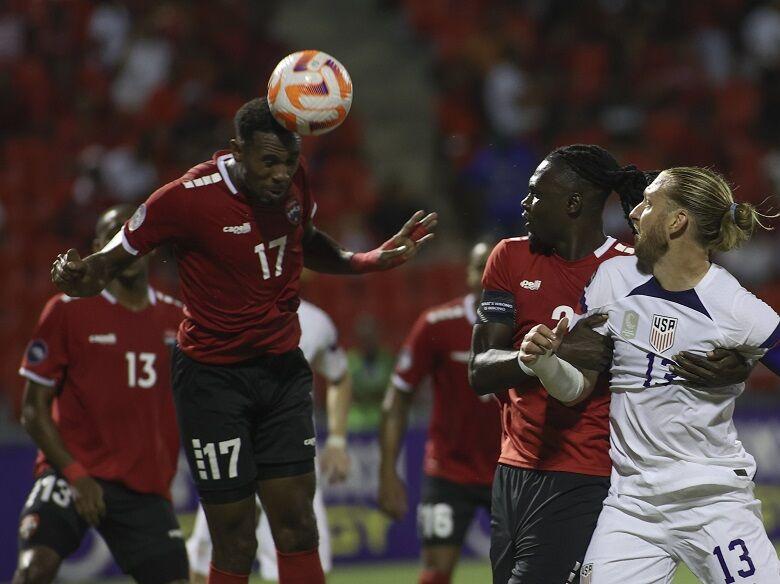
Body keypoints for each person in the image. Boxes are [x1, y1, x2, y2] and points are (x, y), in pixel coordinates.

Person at [50, 97, 437, 584]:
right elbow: (107, 262)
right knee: (234, 537)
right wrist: (77, 275)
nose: (281, 174)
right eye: (269, 161)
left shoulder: (294, 183)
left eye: (290, 161)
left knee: (298, 525)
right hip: (213, 382)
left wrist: (366, 260)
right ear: (237, 150)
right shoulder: (186, 196)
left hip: (281, 373)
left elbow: (307, 238)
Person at [468, 145, 752, 584]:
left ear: (573, 203)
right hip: (513, 472)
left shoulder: (634, 272)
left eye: (536, 194)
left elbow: (711, 329)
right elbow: (480, 370)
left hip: (589, 475)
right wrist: (540, 356)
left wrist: (739, 363)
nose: (525, 204)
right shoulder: (508, 257)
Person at [14, 205, 187, 584]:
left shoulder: (177, 320)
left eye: (130, 235)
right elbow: (32, 410)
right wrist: (77, 475)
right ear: (99, 247)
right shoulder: (67, 311)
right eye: (111, 235)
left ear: (148, 244)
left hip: (144, 486)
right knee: (34, 570)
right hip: (72, 473)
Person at [187, 298, 352, 582]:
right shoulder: (220, 313)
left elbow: (340, 375)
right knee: (213, 554)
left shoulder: (315, 322)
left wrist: (337, 441)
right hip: (235, 455)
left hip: (289, 461)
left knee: (301, 549)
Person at [379, 240, 501, 584]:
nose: (487, 276)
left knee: (521, 570)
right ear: (468, 274)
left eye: (495, 267)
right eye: (480, 267)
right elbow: (398, 396)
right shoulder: (436, 324)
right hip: (449, 471)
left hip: (511, 471)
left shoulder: (528, 327)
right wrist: (387, 472)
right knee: (435, 570)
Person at [347, 314, 395, 432]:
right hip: (356, 416)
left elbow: (392, 390)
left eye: (371, 336)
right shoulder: (349, 360)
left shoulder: (387, 359)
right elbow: (348, 393)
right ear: (359, 338)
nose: (368, 341)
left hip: (382, 412)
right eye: (365, 337)